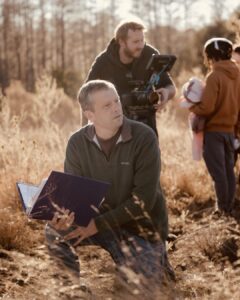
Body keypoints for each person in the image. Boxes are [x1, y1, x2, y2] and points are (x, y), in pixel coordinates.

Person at [45, 80, 174, 286]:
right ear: (90, 115)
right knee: (55, 231)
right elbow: (76, 196)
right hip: (98, 221)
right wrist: (62, 216)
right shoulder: (77, 143)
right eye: (107, 105)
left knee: (139, 290)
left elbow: (143, 202)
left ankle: (158, 261)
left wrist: (96, 225)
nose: (116, 108)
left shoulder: (144, 137)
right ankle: (71, 291)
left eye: (116, 101)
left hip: (140, 227)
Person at [83, 19, 176, 135]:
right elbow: (86, 96)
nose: (141, 45)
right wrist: (86, 134)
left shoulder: (150, 54)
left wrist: (166, 93)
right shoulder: (104, 61)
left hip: (147, 127)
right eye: (136, 42)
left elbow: (170, 87)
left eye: (142, 40)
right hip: (114, 130)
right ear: (121, 42)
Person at [189, 37, 240, 214]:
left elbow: (207, 107)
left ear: (211, 56)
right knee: (228, 172)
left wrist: (192, 106)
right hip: (230, 131)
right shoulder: (237, 74)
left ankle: (222, 209)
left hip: (214, 132)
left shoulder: (214, 76)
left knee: (218, 174)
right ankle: (229, 206)